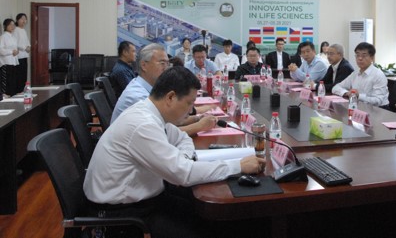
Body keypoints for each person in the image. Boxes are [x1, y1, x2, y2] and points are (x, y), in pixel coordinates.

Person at [84, 66, 265, 238]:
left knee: (214, 217)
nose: (191, 110)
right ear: (170, 97)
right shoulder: (143, 124)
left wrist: (183, 159)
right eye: (189, 103)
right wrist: (238, 166)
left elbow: (182, 139)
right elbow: (184, 174)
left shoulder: (150, 113)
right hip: (124, 213)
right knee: (209, 227)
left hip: (146, 198)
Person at [113, 44, 218, 136]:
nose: (166, 68)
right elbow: (164, 132)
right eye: (162, 63)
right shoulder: (138, 96)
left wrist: (197, 118)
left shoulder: (148, 87)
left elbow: (169, 121)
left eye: (168, 64)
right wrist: (200, 126)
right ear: (144, 65)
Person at [332, 42, 389, 108]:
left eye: (364, 56)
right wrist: (347, 93)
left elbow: (378, 101)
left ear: (372, 58)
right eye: (357, 55)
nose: (360, 58)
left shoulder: (378, 75)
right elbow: (335, 88)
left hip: (379, 110)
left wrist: (359, 96)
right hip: (359, 106)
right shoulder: (355, 73)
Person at [0, 19, 20, 97]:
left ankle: (12, 94)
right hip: (5, 62)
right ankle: (4, 95)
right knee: (6, 80)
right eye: (10, 25)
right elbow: (1, 50)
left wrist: (16, 51)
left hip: (13, 61)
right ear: (5, 26)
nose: (12, 26)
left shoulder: (13, 37)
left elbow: (15, 48)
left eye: (13, 25)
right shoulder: (3, 37)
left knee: (13, 80)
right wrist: (11, 52)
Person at [14, 13, 30, 93]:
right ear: (17, 20)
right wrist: (25, 48)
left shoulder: (23, 30)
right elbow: (15, 43)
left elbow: (27, 41)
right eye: (22, 19)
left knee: (24, 75)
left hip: (25, 55)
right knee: (19, 75)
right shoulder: (15, 30)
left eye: (25, 19)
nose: (24, 21)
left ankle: (23, 91)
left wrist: (29, 46)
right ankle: (19, 91)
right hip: (19, 56)